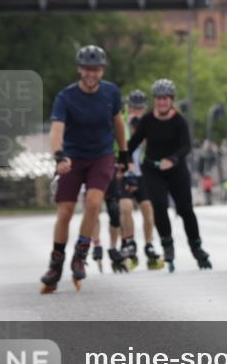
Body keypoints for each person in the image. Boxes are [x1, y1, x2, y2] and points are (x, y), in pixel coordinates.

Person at [40, 45, 130, 294]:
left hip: (102, 156)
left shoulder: (111, 92)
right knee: (65, 211)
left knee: (93, 203)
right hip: (72, 158)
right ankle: (55, 264)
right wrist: (59, 155)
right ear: (79, 69)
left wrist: (124, 152)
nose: (92, 74)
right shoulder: (66, 97)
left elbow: (118, 122)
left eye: (96, 69)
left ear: (102, 71)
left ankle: (80, 254)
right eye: (87, 69)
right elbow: (56, 129)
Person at [127, 78, 211, 273]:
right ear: (154, 100)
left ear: (171, 100)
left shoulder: (179, 121)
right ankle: (167, 244)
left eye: (165, 99)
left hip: (176, 168)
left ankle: (196, 247)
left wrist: (172, 160)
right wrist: (125, 159)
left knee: (185, 208)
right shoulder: (147, 120)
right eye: (158, 98)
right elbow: (132, 144)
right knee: (159, 205)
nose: (162, 102)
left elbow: (186, 146)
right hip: (152, 169)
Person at [119, 90, 163, 270]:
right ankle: (129, 243)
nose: (136, 112)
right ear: (128, 108)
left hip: (142, 173)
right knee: (126, 208)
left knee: (148, 208)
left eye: (140, 109)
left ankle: (149, 245)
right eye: (133, 108)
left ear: (145, 109)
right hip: (124, 173)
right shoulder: (121, 122)